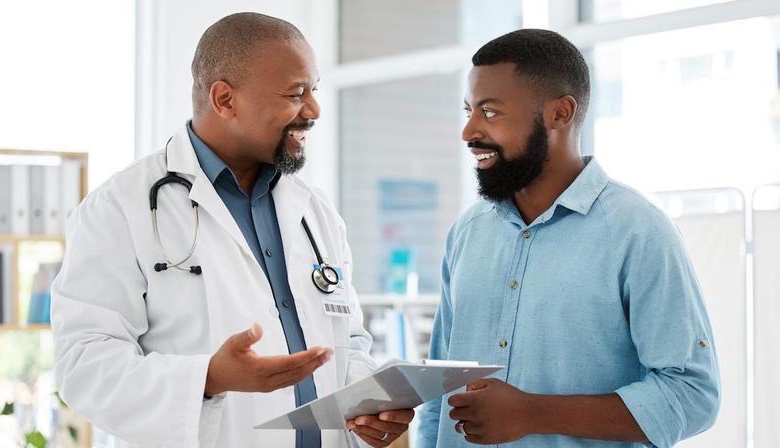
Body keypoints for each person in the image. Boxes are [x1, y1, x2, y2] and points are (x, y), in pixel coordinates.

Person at [51, 12, 412, 448]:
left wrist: (368, 404)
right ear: (224, 99)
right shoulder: (119, 209)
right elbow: (83, 365)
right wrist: (207, 379)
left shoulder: (315, 211)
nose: (314, 109)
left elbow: (347, 340)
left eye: (313, 89)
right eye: (296, 93)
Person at [417, 29, 720, 447]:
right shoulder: (467, 233)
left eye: (490, 112)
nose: (469, 131)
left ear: (560, 114)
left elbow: (692, 395)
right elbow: (440, 390)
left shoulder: (639, 231)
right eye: (468, 111)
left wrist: (533, 413)